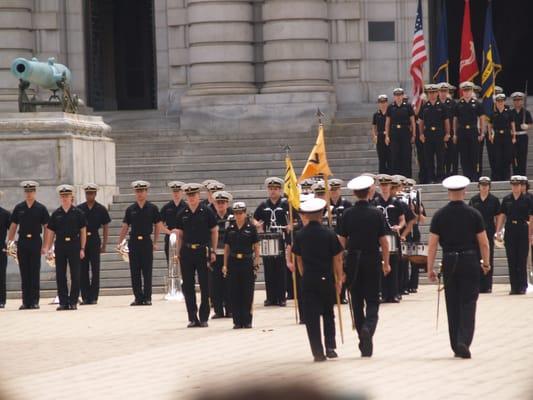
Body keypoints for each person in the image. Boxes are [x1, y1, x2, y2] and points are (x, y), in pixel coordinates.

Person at [427, 175, 490, 359]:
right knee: (468, 302)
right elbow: (484, 243)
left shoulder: (440, 215)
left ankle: (455, 343)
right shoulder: (474, 214)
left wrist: (429, 268)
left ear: (448, 193)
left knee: (452, 302)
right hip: (469, 260)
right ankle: (464, 340)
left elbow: (432, 244)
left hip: (449, 261)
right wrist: (486, 263)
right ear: (464, 192)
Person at [339, 175, 391, 357]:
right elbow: (384, 242)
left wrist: (340, 268)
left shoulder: (347, 214)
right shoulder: (377, 213)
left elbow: (341, 242)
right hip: (372, 259)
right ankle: (368, 328)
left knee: (356, 300)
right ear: (370, 191)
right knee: (373, 300)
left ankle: (362, 332)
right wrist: (386, 262)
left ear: (353, 193)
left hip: (353, 260)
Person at [292, 197, 344, 362]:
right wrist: (339, 278)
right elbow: (337, 258)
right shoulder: (329, 233)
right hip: (326, 278)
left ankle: (317, 351)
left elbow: (298, 259)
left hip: (309, 278)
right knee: (328, 313)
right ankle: (330, 347)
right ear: (322, 214)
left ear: (306, 215)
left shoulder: (300, 235)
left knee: (311, 317)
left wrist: (303, 275)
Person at [176, 183, 218, 327]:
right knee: (188, 286)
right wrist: (178, 253)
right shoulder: (182, 213)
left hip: (202, 251)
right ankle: (192, 317)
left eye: (193, 195)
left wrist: (212, 250)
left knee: (205, 285)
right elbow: (180, 234)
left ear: (198, 196)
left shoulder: (207, 211)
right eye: (189, 195)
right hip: (187, 252)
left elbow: (214, 231)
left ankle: (204, 316)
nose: (191, 198)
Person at [117, 180, 162, 306]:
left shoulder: (152, 208)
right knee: (134, 271)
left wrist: (156, 241)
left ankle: (147, 298)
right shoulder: (131, 209)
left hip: (147, 241)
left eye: (142, 191)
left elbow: (158, 225)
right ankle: (138, 297)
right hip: (134, 242)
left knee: (147, 271)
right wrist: (120, 241)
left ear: (146, 192)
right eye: (137, 191)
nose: (140, 194)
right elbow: (125, 226)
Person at [43, 185, 87, 310]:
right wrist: (49, 248)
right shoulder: (56, 214)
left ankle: (73, 301)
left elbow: (83, 231)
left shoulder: (78, 213)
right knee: (60, 274)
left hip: (74, 245)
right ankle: (63, 302)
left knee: (75, 274)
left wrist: (82, 248)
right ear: (60, 198)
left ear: (71, 197)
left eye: (67, 196)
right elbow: (51, 232)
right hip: (60, 245)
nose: (65, 198)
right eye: (62, 196)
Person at [7, 181, 49, 310]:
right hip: (23, 242)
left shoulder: (41, 208)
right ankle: (26, 301)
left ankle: (35, 301)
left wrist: (46, 245)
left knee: (34, 271)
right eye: (27, 191)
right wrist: (10, 242)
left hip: (36, 241)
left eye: (31, 191)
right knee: (24, 272)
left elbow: (47, 227)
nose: (29, 193)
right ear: (24, 192)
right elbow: (13, 226)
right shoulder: (19, 208)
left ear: (35, 192)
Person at [223, 201, 260, 329]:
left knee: (247, 292)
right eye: (236, 213)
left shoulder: (251, 228)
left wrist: (257, 260)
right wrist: (225, 265)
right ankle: (237, 321)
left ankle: (247, 320)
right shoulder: (230, 229)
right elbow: (227, 248)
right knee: (234, 291)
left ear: (245, 213)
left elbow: (256, 246)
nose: (239, 215)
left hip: (247, 261)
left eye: (241, 213)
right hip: (233, 262)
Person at [253, 177, 289, 307]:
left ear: (280, 190)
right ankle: (270, 297)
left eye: (275, 189)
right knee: (269, 268)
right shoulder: (264, 205)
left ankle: (281, 297)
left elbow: (295, 219)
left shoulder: (286, 204)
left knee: (280, 269)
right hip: (267, 239)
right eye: (271, 189)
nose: (273, 191)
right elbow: (254, 219)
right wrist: (257, 224)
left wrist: (291, 226)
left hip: (281, 238)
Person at [495, 176, 533, 295]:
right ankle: (514, 286)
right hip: (510, 229)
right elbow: (502, 215)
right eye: (513, 185)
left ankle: (522, 286)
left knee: (521, 259)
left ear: (521, 186)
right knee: (511, 259)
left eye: (518, 185)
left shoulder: (527, 199)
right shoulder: (507, 199)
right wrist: (498, 231)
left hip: (522, 228)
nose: (515, 187)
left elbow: (531, 217)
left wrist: (530, 233)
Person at [372, 174, 405, 303]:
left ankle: (395, 293)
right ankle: (383, 293)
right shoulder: (375, 202)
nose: (385, 188)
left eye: (387, 185)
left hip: (392, 236)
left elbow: (403, 220)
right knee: (381, 263)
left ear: (390, 186)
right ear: (380, 186)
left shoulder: (396, 202)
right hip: (380, 236)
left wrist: (399, 226)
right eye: (382, 185)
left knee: (394, 263)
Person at [78, 183, 111, 305]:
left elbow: (106, 226)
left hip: (94, 239)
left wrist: (104, 245)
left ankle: (94, 297)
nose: (89, 195)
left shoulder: (101, 209)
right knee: (83, 269)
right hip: (83, 240)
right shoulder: (80, 208)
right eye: (87, 193)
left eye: (91, 193)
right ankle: (85, 296)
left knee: (95, 269)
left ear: (95, 194)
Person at [468, 177, 500, 293]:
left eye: (486, 185)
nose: (484, 187)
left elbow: (497, 217)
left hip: (489, 230)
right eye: (482, 185)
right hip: (476, 232)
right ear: (479, 186)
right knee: (476, 257)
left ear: (489, 186)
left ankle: (487, 285)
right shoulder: (474, 200)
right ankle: (478, 284)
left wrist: (497, 232)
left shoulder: (494, 200)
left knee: (488, 256)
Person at [453, 81, 485, 181]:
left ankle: (475, 176)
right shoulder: (458, 104)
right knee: (464, 155)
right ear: (462, 92)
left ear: (471, 91)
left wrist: (482, 132)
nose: (467, 92)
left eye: (469, 90)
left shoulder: (477, 104)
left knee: (474, 154)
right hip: (462, 131)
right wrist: (454, 134)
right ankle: (466, 176)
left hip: (473, 130)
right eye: (465, 91)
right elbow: (455, 120)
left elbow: (482, 118)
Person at [419, 84, 450, 183]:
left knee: (440, 157)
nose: (432, 95)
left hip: (439, 134)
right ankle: (431, 178)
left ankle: (440, 177)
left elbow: (446, 121)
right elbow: (421, 121)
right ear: (427, 94)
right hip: (428, 134)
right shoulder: (424, 106)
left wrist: (447, 133)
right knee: (429, 158)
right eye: (430, 93)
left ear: (437, 93)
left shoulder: (442, 106)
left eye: (433, 92)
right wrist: (421, 134)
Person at [210, 190, 233, 319]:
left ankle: (230, 310)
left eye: (223, 203)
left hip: (228, 255)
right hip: (215, 254)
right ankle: (218, 310)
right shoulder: (211, 217)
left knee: (229, 283)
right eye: (218, 203)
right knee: (215, 284)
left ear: (227, 203)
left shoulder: (233, 217)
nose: (220, 205)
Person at [384, 88, 416, 178]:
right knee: (395, 155)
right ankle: (396, 178)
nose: (398, 97)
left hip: (405, 132)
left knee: (406, 155)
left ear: (402, 96)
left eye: (400, 95)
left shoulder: (408, 106)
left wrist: (414, 135)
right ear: (394, 97)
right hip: (394, 133)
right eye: (396, 95)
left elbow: (413, 121)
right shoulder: (391, 107)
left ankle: (407, 177)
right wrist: (387, 136)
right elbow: (387, 122)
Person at [488, 94, 516, 181]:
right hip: (497, 136)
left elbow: (512, 124)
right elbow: (490, 125)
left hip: (507, 135)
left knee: (507, 156)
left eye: (501, 101)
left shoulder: (509, 112)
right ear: (496, 103)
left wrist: (514, 136)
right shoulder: (493, 113)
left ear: (504, 102)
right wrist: (490, 135)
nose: (500, 103)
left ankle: (506, 177)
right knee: (497, 157)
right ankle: (498, 177)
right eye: (498, 101)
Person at [160, 181, 187, 264]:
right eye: (174, 191)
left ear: (181, 192)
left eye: (178, 191)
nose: (176, 194)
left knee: (184, 265)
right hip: (170, 238)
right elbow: (159, 224)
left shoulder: (186, 207)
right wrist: (169, 232)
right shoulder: (166, 207)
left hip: (183, 238)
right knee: (171, 263)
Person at [510, 92, 532, 175]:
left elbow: (531, 124)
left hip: (523, 136)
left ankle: (523, 175)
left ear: (522, 101)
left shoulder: (526, 112)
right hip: (514, 136)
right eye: (515, 100)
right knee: (514, 156)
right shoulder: (510, 112)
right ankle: (516, 175)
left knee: (522, 156)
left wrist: (527, 126)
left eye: (519, 100)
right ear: (513, 101)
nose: (517, 102)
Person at [439, 83, 458, 177]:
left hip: (450, 131)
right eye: (441, 91)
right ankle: (442, 174)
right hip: (438, 132)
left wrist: (454, 133)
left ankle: (452, 173)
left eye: (445, 91)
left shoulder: (452, 103)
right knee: (440, 155)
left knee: (452, 154)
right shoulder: (435, 103)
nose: (443, 93)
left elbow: (455, 118)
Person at [372, 94, 391, 174]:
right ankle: (382, 177)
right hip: (380, 137)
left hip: (389, 137)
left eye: (384, 102)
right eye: (381, 102)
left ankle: (391, 176)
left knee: (390, 158)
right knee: (381, 158)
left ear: (387, 102)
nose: (382, 104)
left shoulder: (390, 113)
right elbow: (374, 126)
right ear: (378, 103)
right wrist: (374, 136)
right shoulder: (376, 114)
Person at [0, 191, 10, 308]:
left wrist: (11, 243)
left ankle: (1, 300)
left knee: (1, 275)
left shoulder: (5, 214)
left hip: (0, 248)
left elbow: (12, 229)